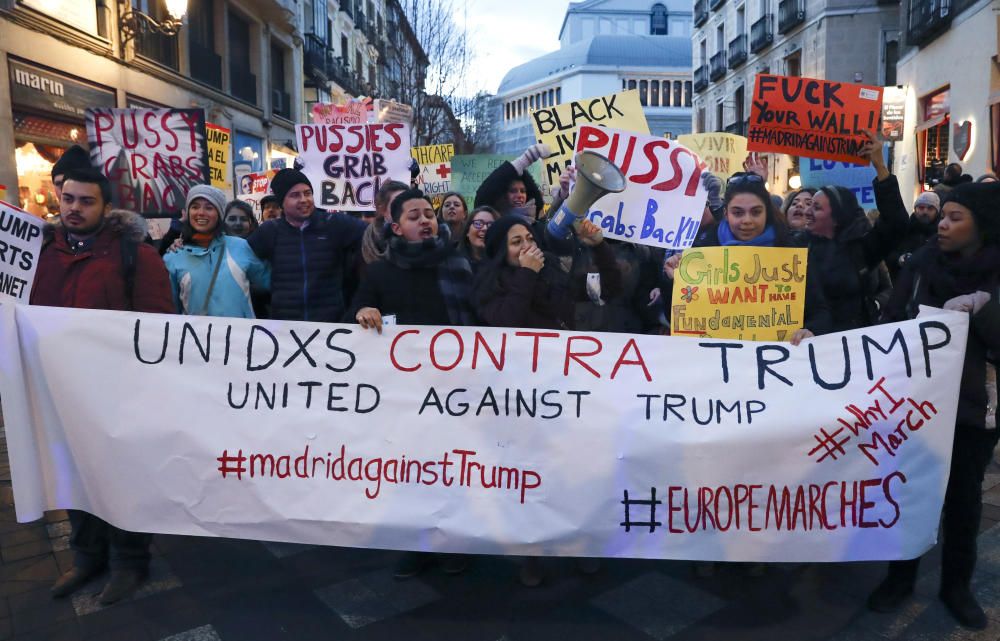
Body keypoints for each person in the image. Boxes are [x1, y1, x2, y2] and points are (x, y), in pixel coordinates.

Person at [30, 167, 174, 605]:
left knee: (124, 476)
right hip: (59, 387)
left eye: (85, 201)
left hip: (118, 393)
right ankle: (87, 556)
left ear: (106, 207)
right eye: (68, 199)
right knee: (72, 476)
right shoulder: (39, 253)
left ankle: (130, 561)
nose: (74, 208)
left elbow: (157, 326)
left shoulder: (135, 255)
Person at [867, 180, 1000, 630]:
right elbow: (892, 323)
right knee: (909, 490)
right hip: (915, 405)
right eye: (942, 215)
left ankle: (956, 586)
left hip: (972, 407)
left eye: (954, 217)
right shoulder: (921, 264)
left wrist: (984, 312)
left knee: (963, 500)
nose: (942, 224)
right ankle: (899, 577)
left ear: (982, 226)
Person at [473, 214, 613, 586]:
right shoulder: (489, 283)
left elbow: (606, 290)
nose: (525, 246)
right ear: (500, 252)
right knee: (528, 473)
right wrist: (527, 275)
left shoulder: (555, 272)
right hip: (517, 394)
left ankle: (578, 542)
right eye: (515, 242)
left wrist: (600, 249)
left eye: (528, 238)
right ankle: (531, 552)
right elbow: (507, 323)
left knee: (570, 470)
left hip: (561, 386)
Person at [348, 189, 475, 579]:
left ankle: (454, 543)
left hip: (456, 386)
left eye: (429, 215)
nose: (425, 221)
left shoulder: (459, 262)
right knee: (413, 470)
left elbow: (483, 319)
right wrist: (363, 311)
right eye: (414, 216)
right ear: (397, 227)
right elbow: (353, 312)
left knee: (455, 467)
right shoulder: (381, 272)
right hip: (406, 392)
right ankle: (417, 545)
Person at [665, 172, 832, 343]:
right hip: (716, 360)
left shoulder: (791, 254)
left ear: (767, 212)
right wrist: (675, 282)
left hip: (774, 359)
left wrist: (811, 330)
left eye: (756, 212)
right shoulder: (702, 253)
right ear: (725, 213)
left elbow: (820, 312)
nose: (747, 220)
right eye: (738, 213)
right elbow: (678, 319)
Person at [804, 131, 907, 332]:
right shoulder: (798, 244)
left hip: (852, 345)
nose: (807, 211)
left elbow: (897, 224)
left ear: (837, 217)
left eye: (816, 207)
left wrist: (880, 167)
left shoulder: (860, 249)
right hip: (807, 341)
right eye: (809, 204)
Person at [246, 168, 367, 322]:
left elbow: (373, 235)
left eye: (307, 193)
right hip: (285, 327)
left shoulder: (334, 224)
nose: (304, 199)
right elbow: (242, 260)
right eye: (295, 195)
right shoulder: (269, 231)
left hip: (330, 326)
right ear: (282, 202)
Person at [164, 186, 270, 318]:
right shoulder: (173, 257)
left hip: (241, 336)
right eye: (195, 207)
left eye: (209, 207)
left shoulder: (241, 247)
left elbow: (270, 283)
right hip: (196, 337)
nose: (201, 213)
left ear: (219, 214)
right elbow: (169, 311)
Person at [885, 190, 940, 281]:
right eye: (921, 207)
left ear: (937, 211)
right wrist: (899, 259)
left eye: (930, 208)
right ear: (915, 209)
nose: (925, 212)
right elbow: (889, 254)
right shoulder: (903, 229)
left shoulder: (941, 234)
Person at [360, 180, 410, 266]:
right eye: (397, 204)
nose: (405, 209)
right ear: (382, 209)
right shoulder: (369, 239)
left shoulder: (423, 233)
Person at [459, 206, 500, 273]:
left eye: (491, 225)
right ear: (467, 232)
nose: (485, 228)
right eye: (478, 223)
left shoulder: (506, 266)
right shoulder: (452, 263)